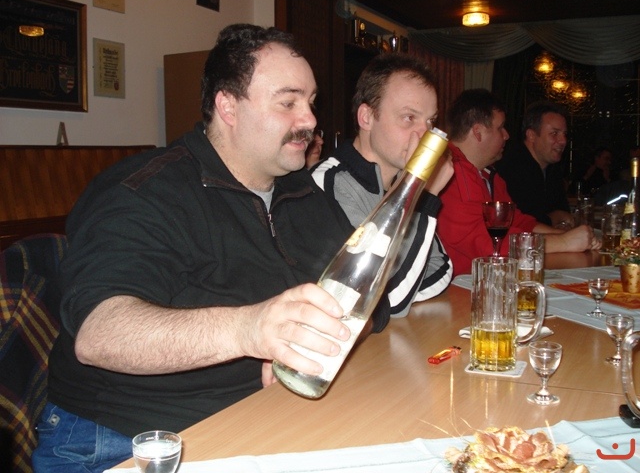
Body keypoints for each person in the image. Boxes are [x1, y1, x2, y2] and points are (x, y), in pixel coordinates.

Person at [33, 24, 388, 472]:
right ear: (228, 106)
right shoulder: (143, 190)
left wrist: (303, 348)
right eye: (288, 102)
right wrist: (251, 330)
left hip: (259, 419)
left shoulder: (302, 192)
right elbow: (99, 334)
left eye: (311, 102)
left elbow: (370, 302)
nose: (310, 120)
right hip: (123, 439)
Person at [311, 53, 454, 316]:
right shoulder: (329, 183)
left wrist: (401, 292)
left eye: (430, 121)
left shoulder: (399, 183)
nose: (425, 136)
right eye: (409, 118)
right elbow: (384, 301)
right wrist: (424, 195)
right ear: (366, 117)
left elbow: (441, 268)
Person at [437, 89, 599, 277]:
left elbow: (519, 222)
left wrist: (564, 236)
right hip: (457, 286)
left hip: (490, 278)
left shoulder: (489, 175)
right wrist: (564, 242)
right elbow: (486, 243)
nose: (506, 135)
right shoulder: (448, 173)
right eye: (501, 128)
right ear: (478, 132)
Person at [495, 100, 573, 228]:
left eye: (564, 134)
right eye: (554, 133)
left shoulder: (552, 168)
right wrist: (555, 217)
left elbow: (564, 214)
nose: (563, 141)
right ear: (531, 135)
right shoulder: (511, 168)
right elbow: (520, 223)